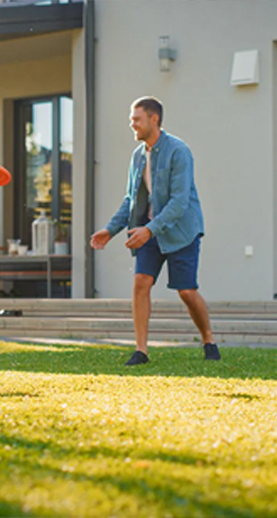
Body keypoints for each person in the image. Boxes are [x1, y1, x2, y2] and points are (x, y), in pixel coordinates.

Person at [90, 96, 219, 366]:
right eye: (131, 120)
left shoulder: (178, 151)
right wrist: (110, 230)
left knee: (186, 291)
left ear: (154, 119)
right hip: (148, 230)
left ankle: (208, 339)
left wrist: (149, 230)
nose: (132, 124)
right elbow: (131, 200)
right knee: (141, 283)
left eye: (136, 119)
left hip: (181, 230)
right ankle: (141, 351)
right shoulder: (138, 157)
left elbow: (179, 202)